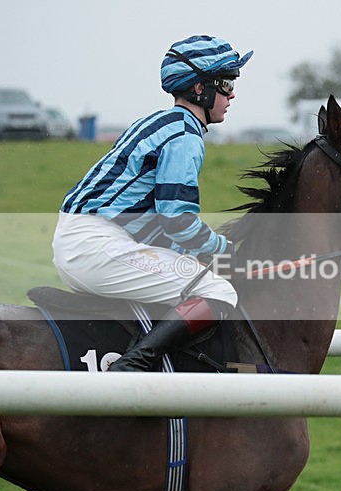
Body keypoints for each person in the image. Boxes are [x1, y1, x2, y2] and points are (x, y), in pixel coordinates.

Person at [52, 35, 252, 372]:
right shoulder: (184, 135)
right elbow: (178, 221)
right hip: (97, 246)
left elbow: (149, 221)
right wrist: (224, 250)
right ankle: (133, 366)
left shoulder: (160, 123)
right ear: (200, 89)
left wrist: (195, 254)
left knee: (193, 275)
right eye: (226, 84)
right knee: (219, 292)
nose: (231, 95)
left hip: (88, 241)